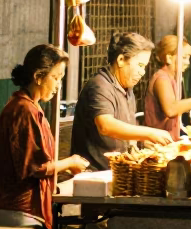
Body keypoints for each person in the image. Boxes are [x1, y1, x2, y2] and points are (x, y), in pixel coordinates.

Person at [0, 45, 89, 229]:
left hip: (23, 214)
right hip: (19, 215)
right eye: (56, 77)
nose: (59, 86)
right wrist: (69, 163)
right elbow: (33, 167)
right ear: (38, 76)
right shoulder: (23, 110)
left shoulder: (29, 106)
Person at [71, 31, 172, 170]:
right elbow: (106, 125)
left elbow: (125, 131)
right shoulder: (100, 85)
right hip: (93, 174)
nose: (142, 72)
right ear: (121, 60)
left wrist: (142, 143)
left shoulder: (127, 89)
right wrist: (149, 133)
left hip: (117, 172)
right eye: (140, 65)